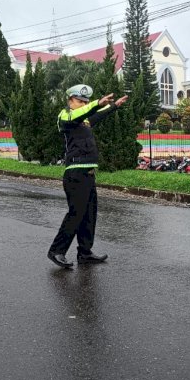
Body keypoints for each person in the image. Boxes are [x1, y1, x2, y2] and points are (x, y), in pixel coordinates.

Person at [47, 84, 129, 268]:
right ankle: (57, 251)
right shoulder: (65, 117)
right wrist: (96, 103)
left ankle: (85, 253)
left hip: (89, 172)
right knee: (76, 214)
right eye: (79, 100)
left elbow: (96, 116)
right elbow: (81, 114)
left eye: (85, 101)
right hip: (75, 173)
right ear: (70, 101)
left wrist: (114, 105)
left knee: (89, 214)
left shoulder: (83, 121)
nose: (82, 104)